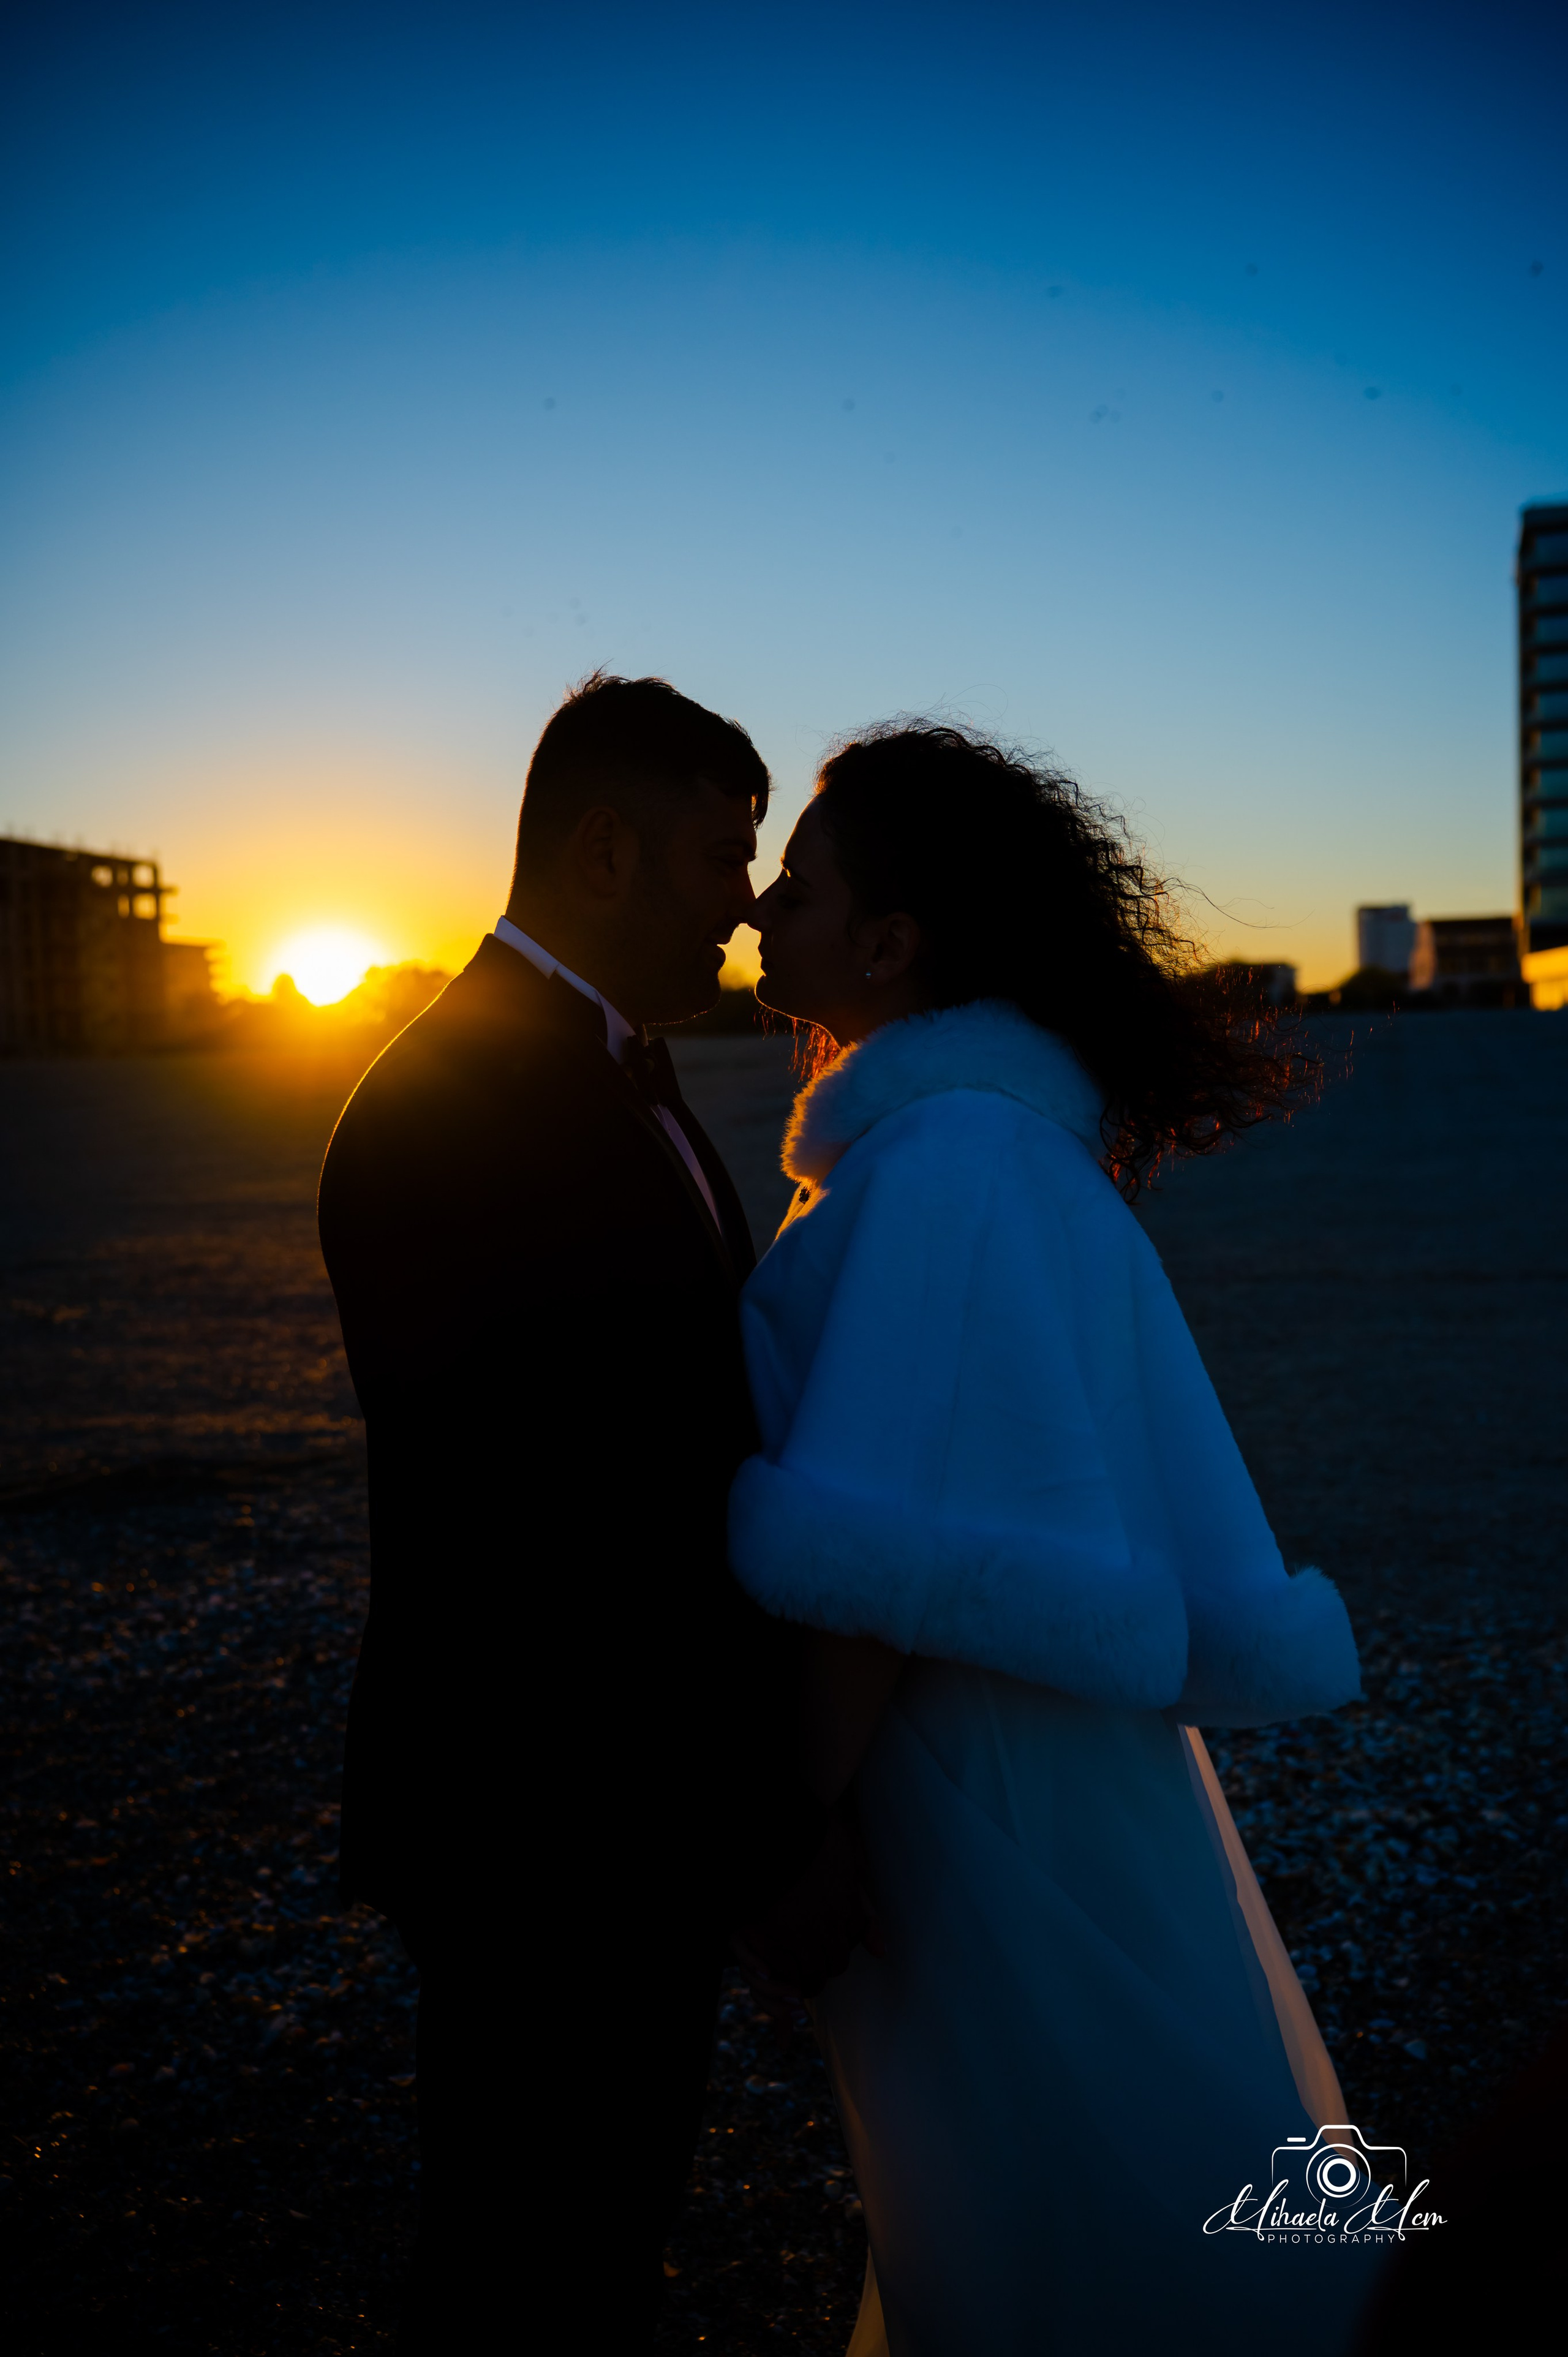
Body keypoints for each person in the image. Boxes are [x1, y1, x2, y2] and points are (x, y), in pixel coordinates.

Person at [728, 723, 1387, 2355]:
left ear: (891, 945)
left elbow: (881, 1558)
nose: (756, 905)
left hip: (972, 1790)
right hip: (1042, 1758)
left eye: (797, 887)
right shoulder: (989, 1146)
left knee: (1049, 2213)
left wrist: (790, 1828)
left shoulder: (948, 1160)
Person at [317, 673, 865, 2345]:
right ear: (606, 853)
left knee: (593, 2239)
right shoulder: (448, 1110)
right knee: (526, 2261)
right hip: (541, 1818)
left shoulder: (614, 1072)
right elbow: (561, 1548)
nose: (752, 902)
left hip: (604, 1811)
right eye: (725, 857)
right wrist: (754, 1834)